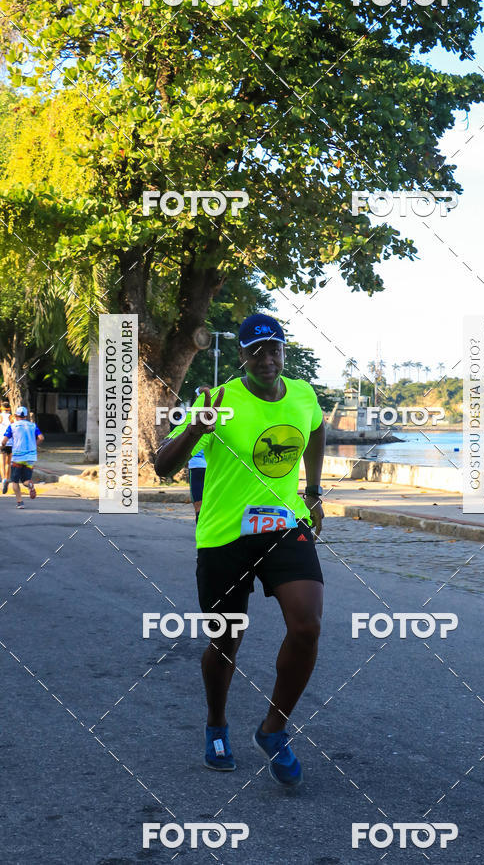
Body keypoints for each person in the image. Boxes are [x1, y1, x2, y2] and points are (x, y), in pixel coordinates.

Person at [155, 314, 325, 786]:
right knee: (226, 640)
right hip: (224, 535)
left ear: (283, 352)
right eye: (256, 352)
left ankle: (273, 729)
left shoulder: (303, 395)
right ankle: (216, 724)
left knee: (307, 625)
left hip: (284, 526)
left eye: (275, 350)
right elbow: (163, 465)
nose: (267, 360)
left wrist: (312, 491)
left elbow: (315, 431)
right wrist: (196, 429)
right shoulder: (217, 399)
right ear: (241, 357)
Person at [1, 405, 44, 509]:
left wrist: (3, 446)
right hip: (30, 457)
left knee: (15, 481)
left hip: (17, 458)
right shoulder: (33, 426)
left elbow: (4, 441)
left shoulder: (13, 426)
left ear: (15, 415)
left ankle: (20, 503)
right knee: (26, 480)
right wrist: (34, 445)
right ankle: (29, 484)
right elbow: (41, 438)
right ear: (26, 416)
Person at [187, 387, 207, 523]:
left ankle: (201, 523)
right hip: (212, 466)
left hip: (196, 465)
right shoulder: (222, 415)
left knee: (199, 504)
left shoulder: (189, 416)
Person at [0, 402, 12, 494]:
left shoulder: (0, 417)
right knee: (8, 462)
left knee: (1, 463)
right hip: (11, 443)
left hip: (1, 442)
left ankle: (4, 479)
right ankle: (7, 478)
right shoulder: (12, 418)